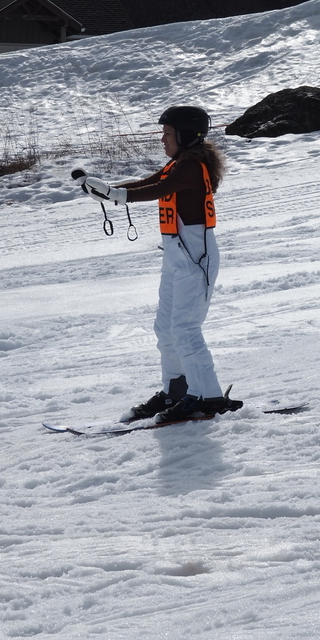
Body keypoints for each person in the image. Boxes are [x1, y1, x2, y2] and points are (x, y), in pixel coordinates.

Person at [72, 105, 241, 423]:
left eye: (167, 133)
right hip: (177, 256)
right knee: (165, 328)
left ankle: (207, 397)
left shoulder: (192, 168)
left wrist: (117, 196)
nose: (162, 139)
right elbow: (149, 182)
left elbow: (160, 189)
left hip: (195, 259)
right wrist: (111, 191)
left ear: (186, 135)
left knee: (185, 329)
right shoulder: (179, 164)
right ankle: (176, 390)